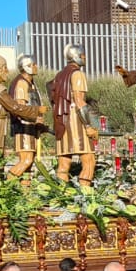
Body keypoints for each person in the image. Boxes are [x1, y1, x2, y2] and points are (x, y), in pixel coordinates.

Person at [49, 43, 98, 185]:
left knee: (64, 165)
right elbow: (79, 102)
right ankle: (86, 197)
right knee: (89, 161)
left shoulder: (59, 75)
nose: (85, 58)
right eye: (83, 55)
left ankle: (61, 197)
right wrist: (89, 125)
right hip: (76, 122)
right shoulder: (77, 74)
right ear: (77, 57)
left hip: (61, 122)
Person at [6, 55, 49, 181]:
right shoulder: (21, 84)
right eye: (33, 64)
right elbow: (21, 108)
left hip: (31, 128)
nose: (36, 67)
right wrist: (35, 118)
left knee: (29, 165)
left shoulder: (31, 84)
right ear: (27, 66)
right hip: (23, 129)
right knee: (26, 160)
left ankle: (26, 195)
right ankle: (6, 186)